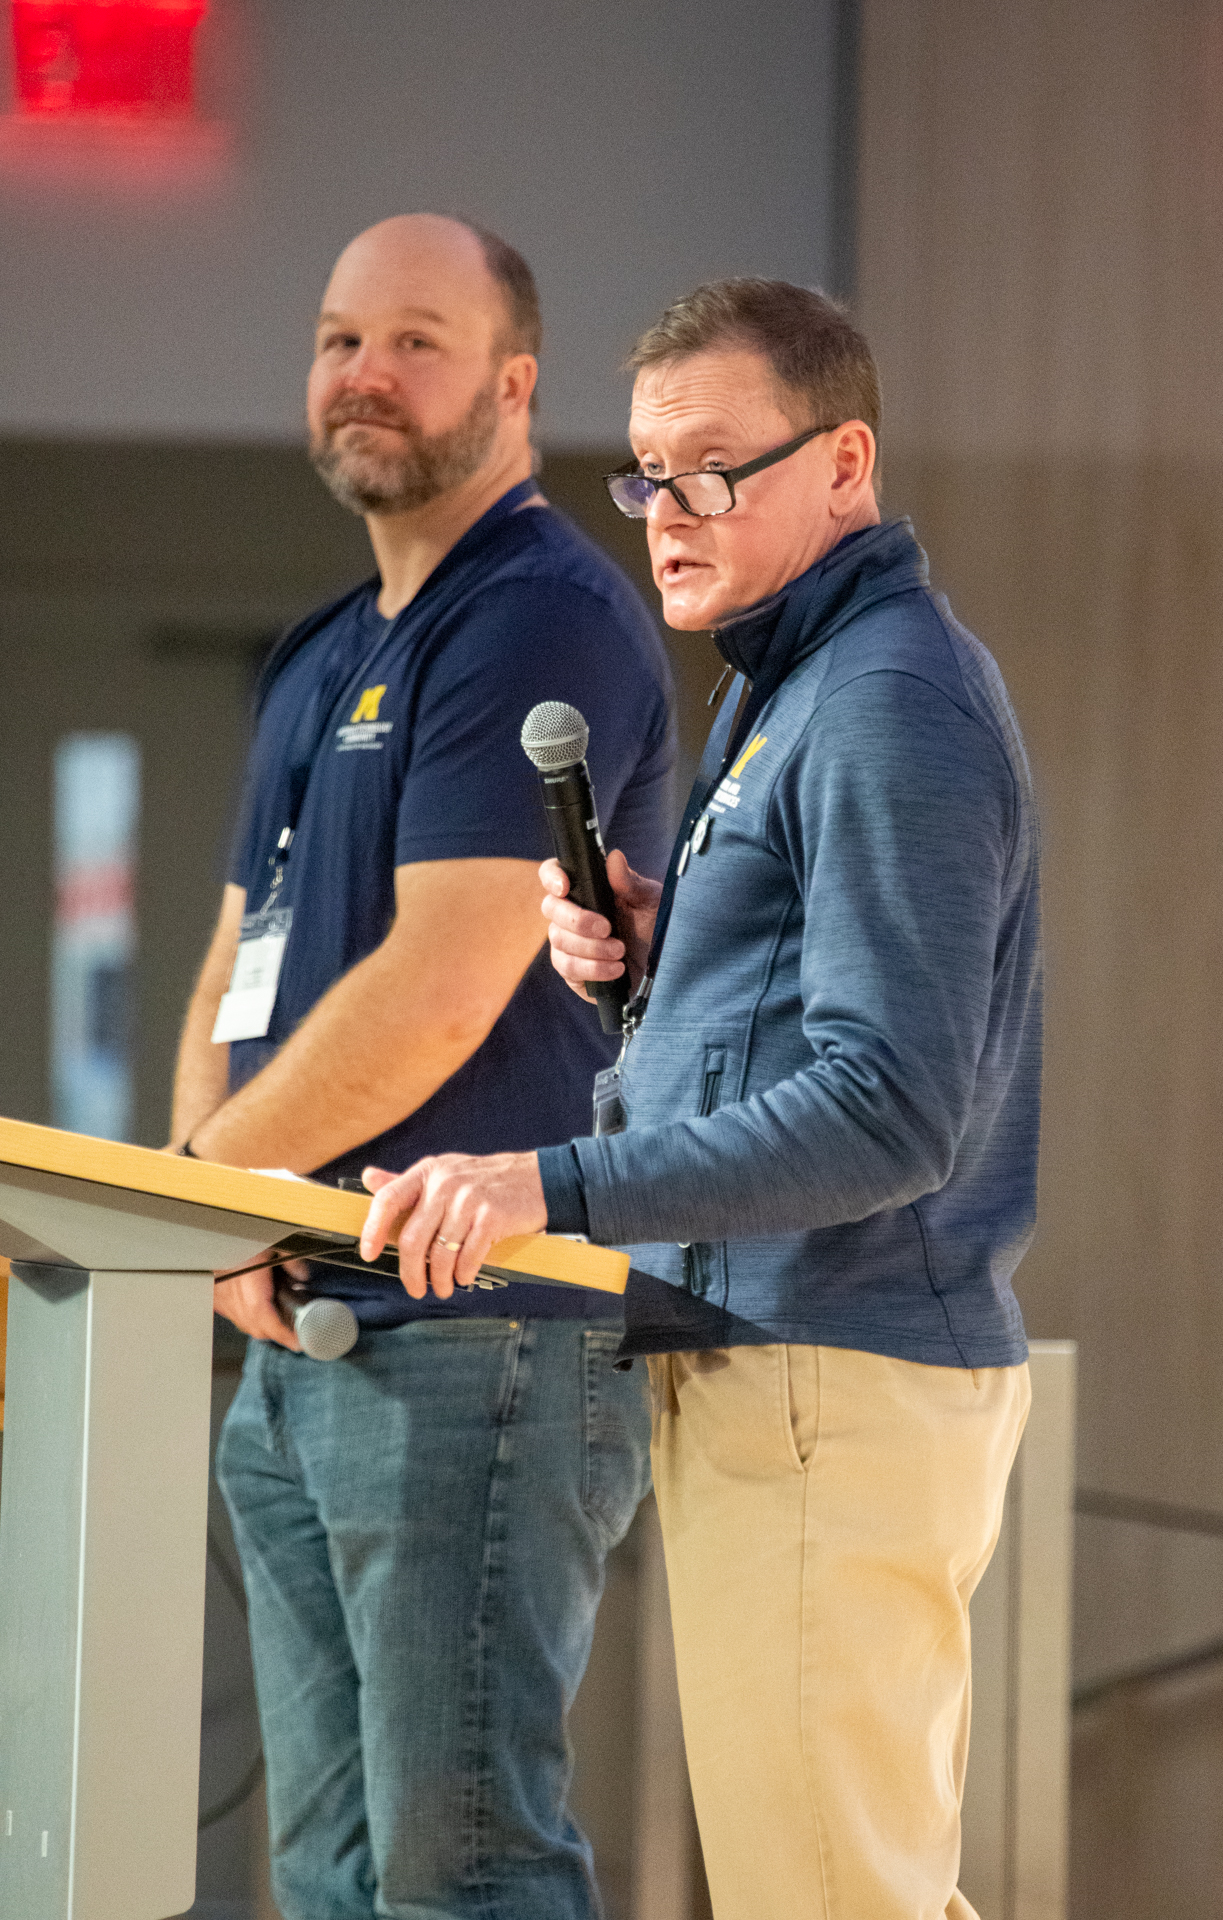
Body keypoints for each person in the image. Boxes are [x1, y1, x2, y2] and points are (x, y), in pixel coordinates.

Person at [360, 279, 1042, 1920]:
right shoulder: (789, 681)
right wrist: (680, 957)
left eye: (715, 470)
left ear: (845, 464)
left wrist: (545, 1185)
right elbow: (822, 1022)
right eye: (648, 473)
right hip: (788, 1364)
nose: (669, 512)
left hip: (832, 1366)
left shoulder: (882, 700)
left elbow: (892, 1112)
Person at [169, 215, 674, 1920]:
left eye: (415, 341)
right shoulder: (324, 650)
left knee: (461, 1873)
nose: (364, 374)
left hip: (477, 1337)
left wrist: (211, 1195)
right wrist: (198, 1208)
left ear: (515, 385)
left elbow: (449, 982)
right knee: (326, 1873)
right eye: (338, 340)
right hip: (303, 1330)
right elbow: (236, 959)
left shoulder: (537, 620)